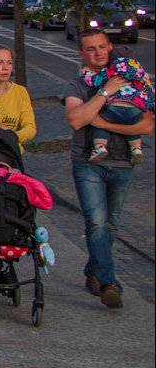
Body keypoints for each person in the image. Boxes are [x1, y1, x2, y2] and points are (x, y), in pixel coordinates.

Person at [62, 29, 155, 310]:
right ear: (81, 54)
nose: (99, 53)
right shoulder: (78, 85)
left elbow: (146, 126)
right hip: (87, 163)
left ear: (111, 47)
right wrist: (105, 92)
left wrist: (103, 124)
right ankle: (108, 283)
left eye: (102, 47)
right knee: (98, 223)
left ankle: (94, 271)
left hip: (124, 162)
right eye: (91, 49)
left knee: (111, 225)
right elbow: (77, 120)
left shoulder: (131, 79)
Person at [79, 48, 153, 166]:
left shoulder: (111, 69)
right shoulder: (140, 72)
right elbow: (149, 89)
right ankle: (136, 149)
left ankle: (100, 147)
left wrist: (86, 72)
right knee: (131, 125)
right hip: (135, 108)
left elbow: (95, 81)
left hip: (115, 106)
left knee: (100, 122)